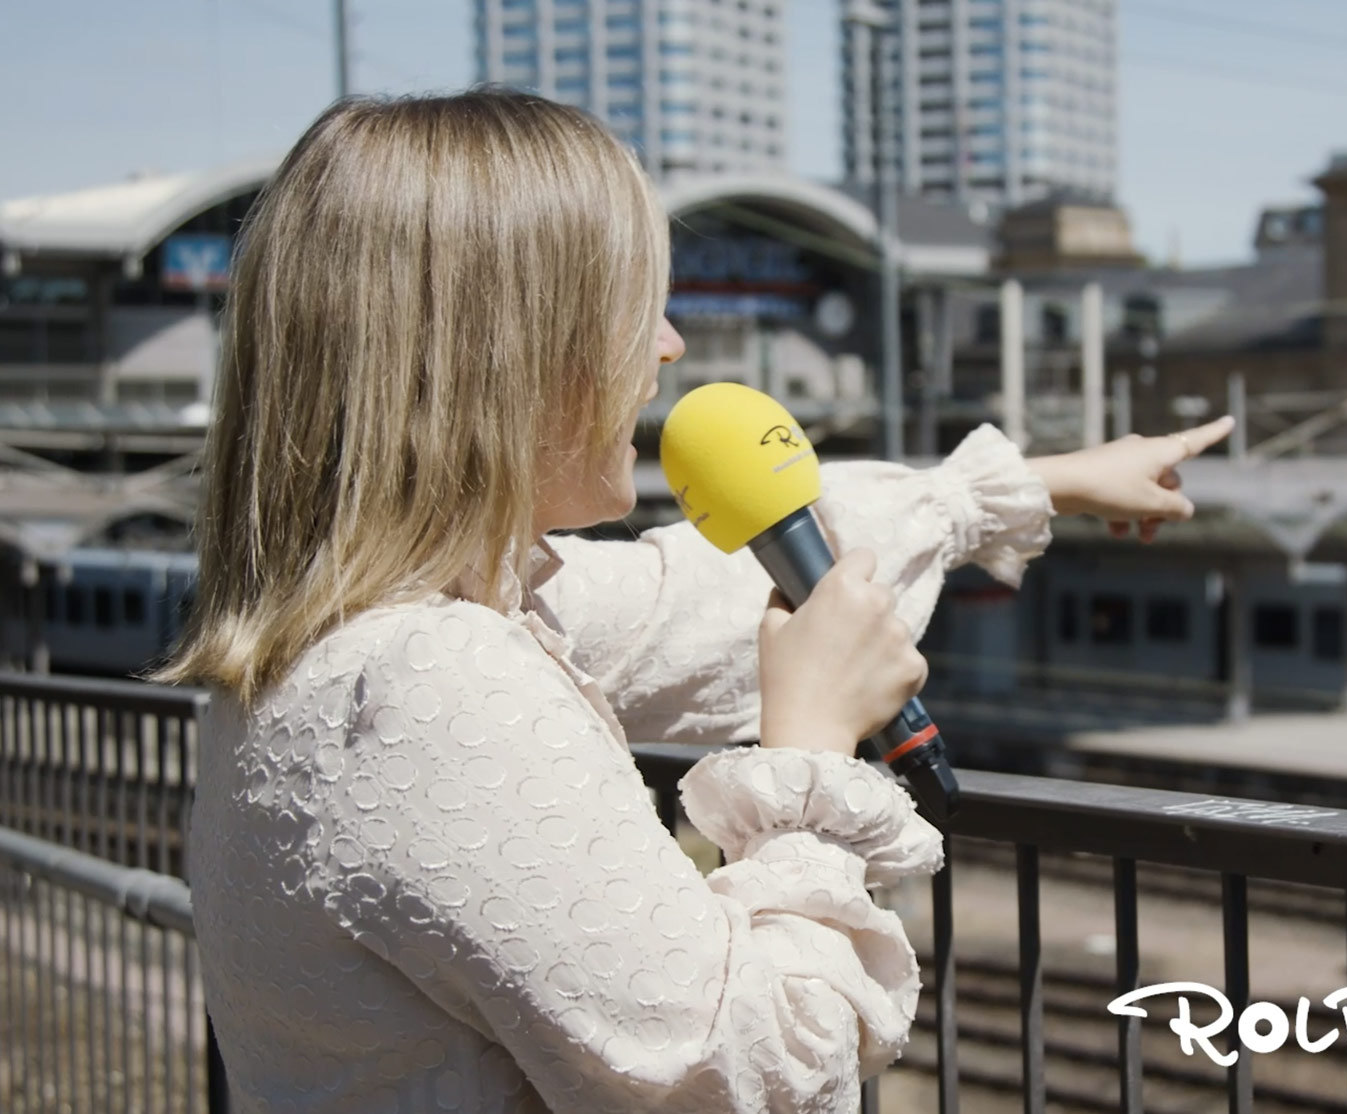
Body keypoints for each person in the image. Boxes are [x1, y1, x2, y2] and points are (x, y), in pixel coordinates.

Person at [162, 89, 1232, 1114]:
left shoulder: (359, 640)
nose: (667, 347)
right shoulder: (432, 690)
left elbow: (699, 591)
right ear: (510, 351)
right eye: (635, 309)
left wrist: (1014, 490)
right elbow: (757, 1074)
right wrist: (810, 748)